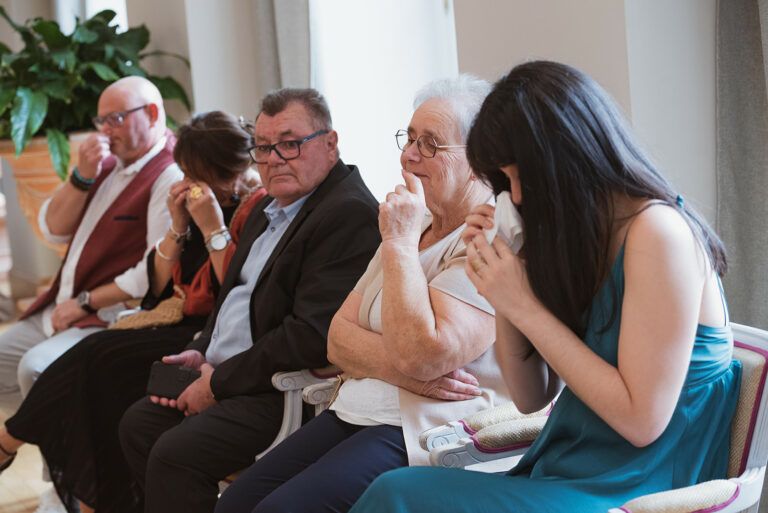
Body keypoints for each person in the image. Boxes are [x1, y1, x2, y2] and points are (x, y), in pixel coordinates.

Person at [349, 60, 741, 513]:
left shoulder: (659, 233)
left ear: (564, 158)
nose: (515, 196)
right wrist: (505, 288)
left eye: (517, 177)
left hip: (636, 486)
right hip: (569, 463)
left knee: (395, 494)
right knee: (396, 489)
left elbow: (641, 421)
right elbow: (531, 395)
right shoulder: (587, 237)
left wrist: (524, 302)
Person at [216, 75, 510, 513]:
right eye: (409, 138)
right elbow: (337, 338)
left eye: (430, 144)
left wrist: (398, 245)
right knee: (235, 503)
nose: (409, 155)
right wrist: (407, 374)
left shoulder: (487, 235)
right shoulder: (413, 222)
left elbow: (426, 354)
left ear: (479, 158)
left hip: (428, 428)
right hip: (356, 409)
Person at [118, 87, 381, 513]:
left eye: (290, 144)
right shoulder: (267, 207)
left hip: (280, 390)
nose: (274, 158)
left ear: (330, 143)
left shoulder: (347, 213)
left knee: (175, 453)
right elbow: (232, 300)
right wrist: (199, 352)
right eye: (263, 147)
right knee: (139, 424)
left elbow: (310, 336)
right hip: (231, 371)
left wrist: (217, 383)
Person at [0, 111, 266, 513]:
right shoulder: (197, 200)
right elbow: (157, 282)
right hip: (178, 314)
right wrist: (178, 227)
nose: (190, 182)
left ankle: (13, 445)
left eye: (198, 173)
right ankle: (95, 496)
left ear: (227, 169)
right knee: (95, 363)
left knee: (98, 358)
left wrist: (214, 229)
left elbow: (237, 292)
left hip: (214, 328)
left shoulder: (255, 206)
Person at [0, 76, 182, 413]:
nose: (105, 131)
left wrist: (84, 303)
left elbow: (155, 270)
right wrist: (81, 176)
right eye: (101, 121)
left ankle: (62, 451)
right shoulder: (107, 165)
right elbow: (52, 229)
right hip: (62, 305)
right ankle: (65, 436)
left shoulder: (169, 173)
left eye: (116, 119)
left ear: (153, 113)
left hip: (107, 316)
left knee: (36, 371)